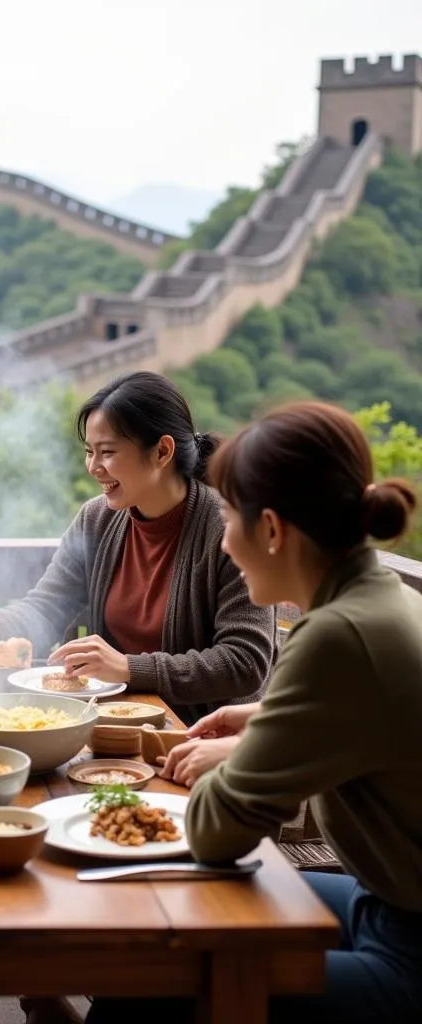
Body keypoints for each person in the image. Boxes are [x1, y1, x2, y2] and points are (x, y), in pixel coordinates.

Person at [90, 401, 422, 1024]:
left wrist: (259, 741)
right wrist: (268, 726)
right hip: (385, 904)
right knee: (171, 901)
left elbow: (219, 832)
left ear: (271, 529)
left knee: (146, 982)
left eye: (228, 518)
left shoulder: (337, 635)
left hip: (407, 950)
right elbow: (356, 723)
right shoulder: (380, 598)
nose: (221, 540)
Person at [0, 371, 275, 725]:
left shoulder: (226, 528)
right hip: (116, 725)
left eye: (107, 452)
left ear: (161, 452)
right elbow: (41, 611)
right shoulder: (98, 519)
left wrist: (128, 667)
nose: (93, 467)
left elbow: (245, 661)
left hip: (204, 736)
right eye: (89, 451)